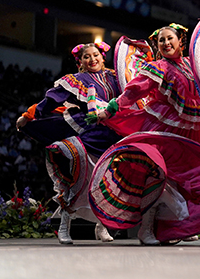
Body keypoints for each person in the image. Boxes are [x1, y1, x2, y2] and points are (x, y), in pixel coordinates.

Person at [90, 7, 200, 246]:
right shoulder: (158, 67)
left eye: (169, 38)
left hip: (191, 132)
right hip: (162, 128)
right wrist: (111, 108)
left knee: (188, 181)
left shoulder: (193, 67)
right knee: (157, 175)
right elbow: (134, 91)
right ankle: (146, 230)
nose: (164, 43)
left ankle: (177, 227)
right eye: (160, 40)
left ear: (181, 41)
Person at [16, 42, 122, 244]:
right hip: (90, 133)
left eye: (96, 55)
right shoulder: (76, 80)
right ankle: (64, 226)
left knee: (110, 183)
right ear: (80, 62)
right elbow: (51, 101)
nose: (92, 59)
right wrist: (28, 115)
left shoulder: (115, 76)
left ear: (103, 56)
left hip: (115, 135)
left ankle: (102, 226)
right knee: (79, 181)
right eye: (86, 57)